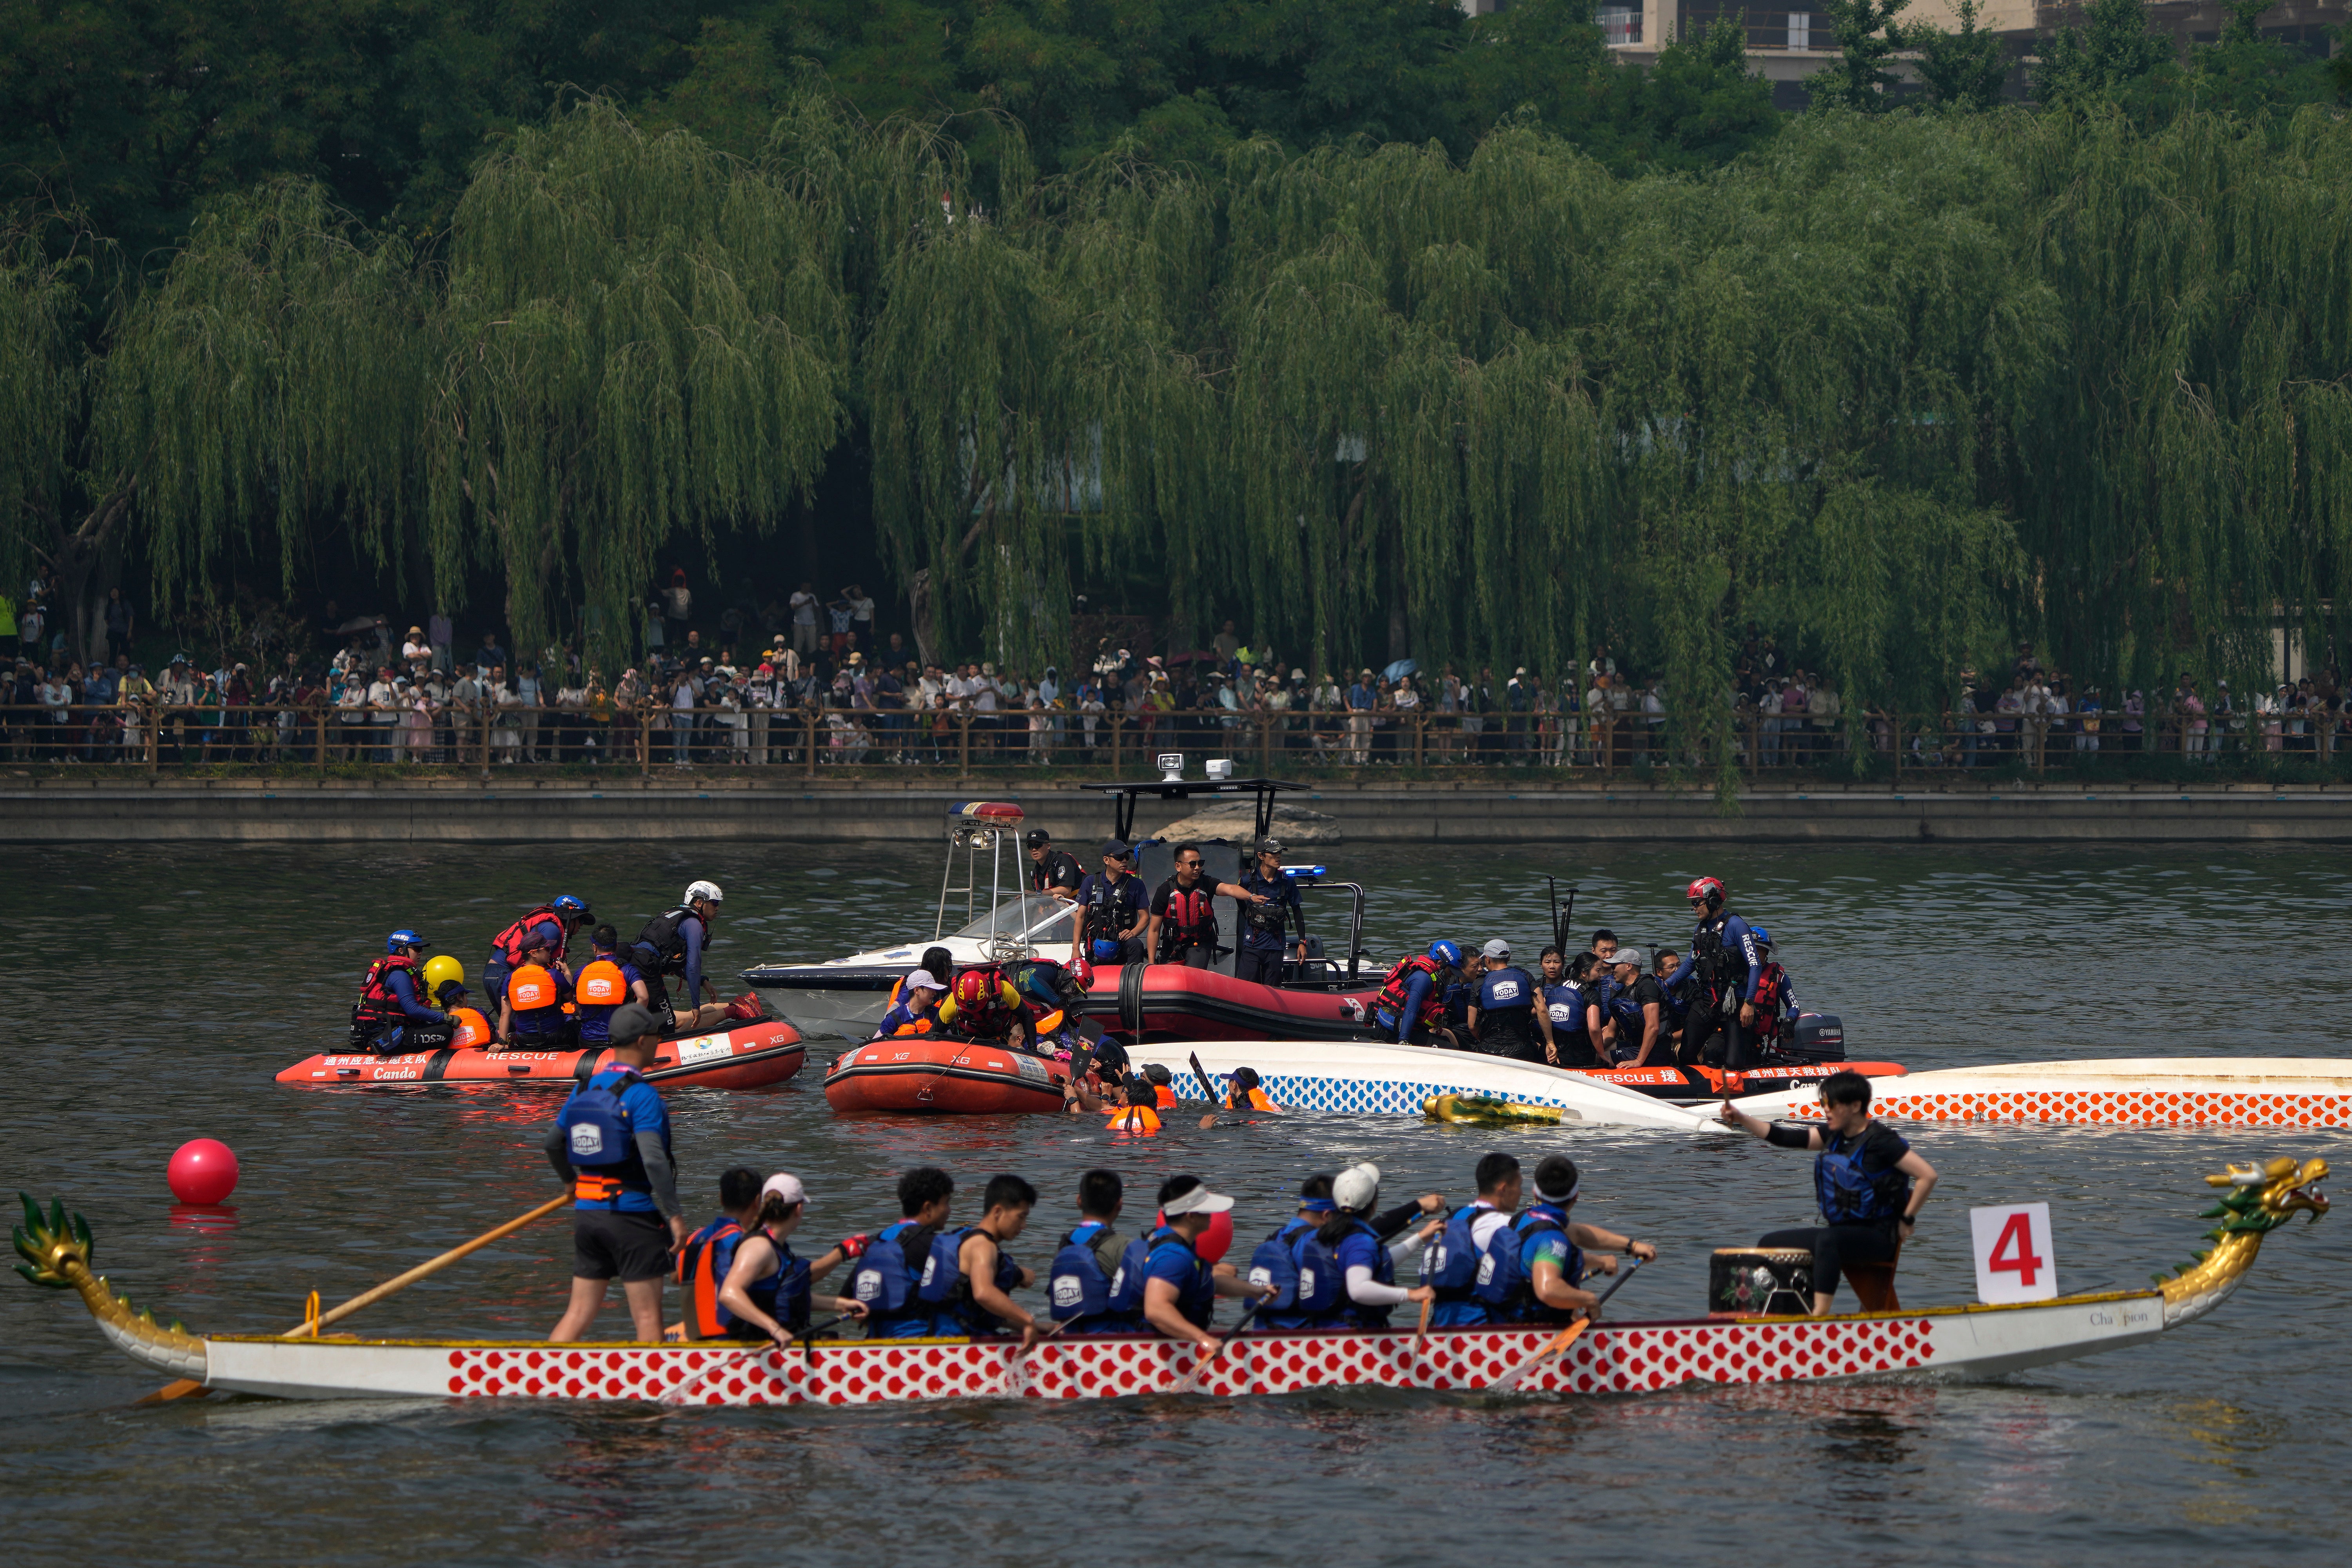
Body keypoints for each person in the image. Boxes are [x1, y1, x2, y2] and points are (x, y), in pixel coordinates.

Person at [1718, 1070, 1939, 1315]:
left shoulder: (1882, 1142)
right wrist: (1740, 1117)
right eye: (1824, 1103)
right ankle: (1782, 1312)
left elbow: (1927, 1175)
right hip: (1841, 1236)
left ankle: (1819, 1315)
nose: (1826, 1110)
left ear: (1856, 1106)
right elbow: (1784, 1137)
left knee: (1827, 1241)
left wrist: (1907, 1219)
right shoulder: (1833, 1135)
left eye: (1832, 1104)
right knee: (1770, 1244)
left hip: (1877, 1238)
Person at [545, 1004, 689, 1342]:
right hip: (631, 1218)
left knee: (578, 1313)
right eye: (656, 1036)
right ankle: (652, 1391)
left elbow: (553, 1144)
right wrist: (676, 1215)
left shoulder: (584, 1089)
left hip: (588, 1216)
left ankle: (537, 1381)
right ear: (642, 1042)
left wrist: (571, 1184)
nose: (659, 1041)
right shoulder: (642, 1095)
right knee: (648, 1317)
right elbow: (654, 1160)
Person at [713, 1173, 870, 1350]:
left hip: (779, 1340)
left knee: (839, 1339)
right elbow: (729, 1294)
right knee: (841, 1343)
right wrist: (775, 1329)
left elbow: (787, 1297)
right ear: (798, 1209)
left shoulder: (779, 1248)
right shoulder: (759, 1247)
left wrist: (841, 1304)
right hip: (763, 1345)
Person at [1498, 1155, 1656, 1325]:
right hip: (1529, 1332)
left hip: (1503, 1317)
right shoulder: (1552, 1239)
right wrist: (1589, 1300)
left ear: (1535, 1192)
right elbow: (1548, 1290)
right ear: (1576, 1197)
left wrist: (1631, 1247)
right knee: (1570, 1296)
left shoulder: (1527, 1218)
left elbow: (1578, 1234)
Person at [1133, 1176, 1271, 1353]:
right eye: (1206, 1211)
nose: (1212, 1215)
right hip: (1153, 1353)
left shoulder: (1175, 1242)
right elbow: (1156, 1310)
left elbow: (1207, 1280)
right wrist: (1203, 1339)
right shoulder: (1172, 1257)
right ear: (1191, 1217)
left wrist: (1256, 1291)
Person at [1315, 1163, 1443, 1328]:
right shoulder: (1359, 1241)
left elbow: (1376, 1263)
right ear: (1374, 1205)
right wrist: (1411, 1294)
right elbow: (1359, 1289)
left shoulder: (1326, 1235)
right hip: (1352, 1336)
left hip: (1323, 1330)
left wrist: (1420, 1238)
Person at [1422, 1152, 1534, 1327]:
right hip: (1482, 1329)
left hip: (1441, 1324)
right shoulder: (1503, 1226)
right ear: (1504, 1189)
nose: (1521, 1193)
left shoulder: (1454, 1218)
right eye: (1519, 1186)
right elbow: (1543, 1251)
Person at [928, 1174, 1040, 1344]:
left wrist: (1037, 1327)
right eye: (1021, 1216)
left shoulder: (964, 1237)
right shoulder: (983, 1246)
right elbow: (984, 1293)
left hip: (940, 1338)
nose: (1023, 1226)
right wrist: (1028, 1320)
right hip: (960, 1347)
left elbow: (975, 1310)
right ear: (998, 1212)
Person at [850, 1167, 958, 1339]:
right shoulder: (934, 1245)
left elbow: (848, 1302)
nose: (949, 1210)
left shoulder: (874, 1243)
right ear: (928, 1208)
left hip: (875, 1343)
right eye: (946, 1203)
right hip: (918, 1348)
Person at [1682, 876, 1767, 1069]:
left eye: (1697, 903)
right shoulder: (1700, 929)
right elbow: (1690, 964)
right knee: (1686, 1053)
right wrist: (1663, 985)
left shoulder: (1737, 926)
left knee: (1734, 1063)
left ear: (1713, 901)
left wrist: (1749, 1003)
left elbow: (1755, 965)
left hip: (1735, 1002)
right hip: (1708, 1001)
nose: (1694, 909)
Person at [1245, 1176, 1347, 1329]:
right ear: (1326, 1216)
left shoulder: (1277, 1236)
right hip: (1299, 1337)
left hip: (1262, 1331)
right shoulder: (1316, 1244)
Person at [629, 880, 730, 1033]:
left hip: (635, 965)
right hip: (647, 972)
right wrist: (695, 1006)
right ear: (699, 903)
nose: (717, 908)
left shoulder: (674, 914)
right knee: (668, 1026)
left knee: (663, 1017)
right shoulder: (694, 925)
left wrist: (703, 981)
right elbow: (693, 966)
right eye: (714, 903)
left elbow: (670, 960)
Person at [1144, 842, 1259, 968]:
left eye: (1200, 863)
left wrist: (1252, 896)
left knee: (1192, 970)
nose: (1197, 868)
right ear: (1178, 866)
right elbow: (1154, 930)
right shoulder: (1165, 890)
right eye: (1193, 864)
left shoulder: (1207, 883)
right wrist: (1151, 963)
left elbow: (1230, 889)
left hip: (1199, 944)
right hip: (1172, 944)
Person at [1047, 1169, 1135, 1334]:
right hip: (1112, 1342)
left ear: (1079, 1201)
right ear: (1120, 1205)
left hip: (1070, 1338)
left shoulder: (1064, 1247)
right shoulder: (1123, 1246)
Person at [486, 894, 593, 1016]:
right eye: (581, 921)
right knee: (523, 1020)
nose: (582, 926)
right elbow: (539, 969)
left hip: (494, 975)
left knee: (512, 1021)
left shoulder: (549, 925)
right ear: (571, 919)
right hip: (501, 974)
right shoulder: (553, 931)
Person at [350, 929, 453, 1054]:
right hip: (386, 1036)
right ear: (401, 950)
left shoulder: (399, 972)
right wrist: (446, 1018)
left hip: (388, 1031)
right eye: (416, 949)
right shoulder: (400, 975)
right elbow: (412, 1008)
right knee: (446, 1031)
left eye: (421, 950)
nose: (420, 953)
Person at [1232, 837, 1305, 986]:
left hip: (1276, 946)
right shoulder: (1247, 881)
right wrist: (1248, 913)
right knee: (1245, 986)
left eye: (1280, 852)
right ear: (1261, 856)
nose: (1278, 856)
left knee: (1272, 989)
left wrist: (1302, 942)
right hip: (1253, 945)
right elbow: (1237, 896)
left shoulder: (1287, 882)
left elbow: (1297, 912)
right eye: (1273, 853)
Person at [1069, 841, 1148, 968]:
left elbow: (1145, 917)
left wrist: (1133, 933)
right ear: (1106, 860)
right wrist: (1075, 948)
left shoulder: (1137, 885)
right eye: (1119, 857)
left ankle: (1134, 981)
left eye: (1126, 857)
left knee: (1136, 945)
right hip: (1096, 944)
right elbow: (1081, 917)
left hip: (1122, 942)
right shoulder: (1090, 882)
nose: (1124, 861)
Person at [573, 926, 653, 1047]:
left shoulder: (581, 972)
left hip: (589, 1041)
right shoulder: (627, 969)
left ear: (595, 948)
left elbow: (576, 1002)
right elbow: (644, 997)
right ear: (616, 946)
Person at [1466, 940, 1545, 1062]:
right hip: (1522, 1051)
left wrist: (1484, 1041)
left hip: (1489, 1051)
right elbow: (1542, 1011)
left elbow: (1472, 1025)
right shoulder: (1525, 976)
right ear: (1509, 958)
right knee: (1539, 1047)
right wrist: (1550, 1043)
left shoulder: (1480, 983)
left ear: (1487, 959)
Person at [1372, 940, 1461, 1046]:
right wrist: (1403, 1041)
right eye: (1451, 971)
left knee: (1445, 1040)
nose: (1451, 976)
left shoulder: (1429, 974)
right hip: (1392, 1032)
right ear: (1440, 964)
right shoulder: (1423, 979)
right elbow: (1411, 1010)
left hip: (1405, 1029)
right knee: (1448, 1048)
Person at [1600, 947, 1668, 1067]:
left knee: (1600, 1059)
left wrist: (1639, 1061)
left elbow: (1653, 1027)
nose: (1612, 970)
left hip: (1654, 1050)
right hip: (1633, 1044)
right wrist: (1590, 1049)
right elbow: (1610, 1032)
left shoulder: (1647, 986)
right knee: (1597, 1053)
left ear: (1629, 966)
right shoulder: (1622, 994)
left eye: (1615, 966)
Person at [499, 938, 571, 1047]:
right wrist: (567, 973)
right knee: (574, 1024)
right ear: (533, 953)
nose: (550, 951)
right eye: (546, 949)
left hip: (523, 1040)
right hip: (555, 1037)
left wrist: (502, 1042)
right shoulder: (554, 974)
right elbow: (571, 997)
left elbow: (505, 1014)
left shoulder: (510, 978)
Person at [1539, 947, 1600, 1068]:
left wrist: (1549, 1042)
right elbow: (1594, 1028)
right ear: (1584, 973)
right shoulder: (1591, 993)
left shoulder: (1559, 986)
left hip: (1553, 1051)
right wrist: (1601, 1053)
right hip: (1579, 1056)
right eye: (1598, 971)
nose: (1601, 975)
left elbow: (1541, 1011)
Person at [875, 970, 946, 1036]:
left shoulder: (937, 1015)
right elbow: (875, 1043)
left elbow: (949, 1040)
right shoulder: (895, 1017)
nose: (935, 993)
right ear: (917, 990)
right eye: (931, 989)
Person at [1025, 828, 1083, 900]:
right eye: (1030, 846)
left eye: (1038, 845)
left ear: (1048, 846)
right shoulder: (1036, 871)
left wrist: (1036, 894)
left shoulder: (1063, 860)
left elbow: (1066, 890)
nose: (1034, 849)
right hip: (1057, 908)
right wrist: (1026, 898)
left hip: (1077, 906)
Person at [436, 978, 495, 1048]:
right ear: (459, 997)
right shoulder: (479, 1013)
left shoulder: (439, 1023)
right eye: (465, 995)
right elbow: (495, 1036)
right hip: (482, 1055)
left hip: (453, 1057)